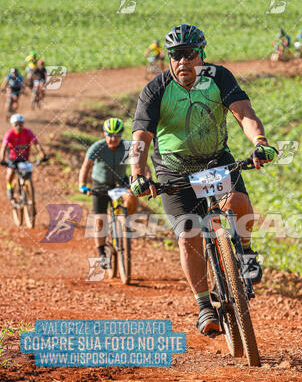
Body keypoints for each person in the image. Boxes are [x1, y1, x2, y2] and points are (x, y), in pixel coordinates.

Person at [130, 23, 278, 336]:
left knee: (238, 202)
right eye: (176, 55)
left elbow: (244, 113)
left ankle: (246, 252)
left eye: (190, 54)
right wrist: (138, 174)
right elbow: (141, 137)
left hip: (214, 161)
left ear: (202, 55)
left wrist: (260, 142)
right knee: (188, 235)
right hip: (174, 170)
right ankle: (203, 305)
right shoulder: (155, 89)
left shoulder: (219, 78)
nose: (183, 61)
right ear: (168, 58)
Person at [78, 118, 140, 271]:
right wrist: (82, 185)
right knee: (100, 220)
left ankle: (125, 218)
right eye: (110, 135)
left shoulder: (127, 147)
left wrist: (143, 179)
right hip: (100, 185)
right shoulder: (97, 147)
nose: (113, 139)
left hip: (120, 183)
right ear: (104, 134)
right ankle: (101, 254)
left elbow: (140, 165)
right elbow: (85, 167)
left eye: (117, 136)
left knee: (132, 197)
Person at [0, 114, 47, 199]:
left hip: (24, 158)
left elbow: (36, 143)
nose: (18, 126)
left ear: (23, 124)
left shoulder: (28, 132)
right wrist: (2, 159)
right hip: (13, 159)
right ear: (12, 125)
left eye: (20, 124)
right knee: (10, 173)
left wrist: (42, 153)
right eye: (16, 124)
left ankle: (27, 192)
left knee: (27, 173)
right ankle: (9, 188)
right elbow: (3, 146)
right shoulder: (9, 134)